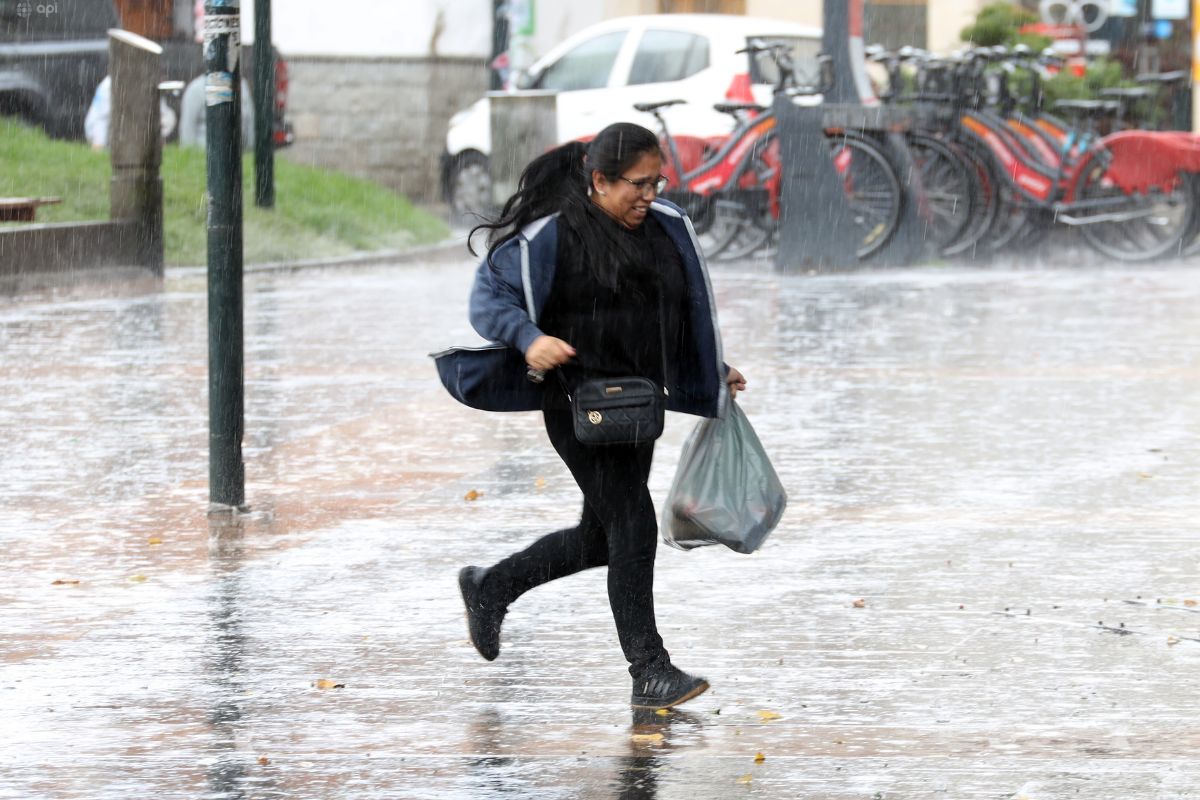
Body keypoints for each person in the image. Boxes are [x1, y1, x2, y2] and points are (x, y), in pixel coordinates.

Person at [457, 122, 746, 710]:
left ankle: (493, 586)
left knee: (600, 539)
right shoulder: (551, 236)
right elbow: (488, 299)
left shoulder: (666, 229)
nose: (648, 194)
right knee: (634, 524)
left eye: (656, 181)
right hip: (576, 403)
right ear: (599, 181)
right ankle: (649, 669)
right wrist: (528, 336)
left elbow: (680, 312)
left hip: (639, 407)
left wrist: (713, 369)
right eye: (635, 185)